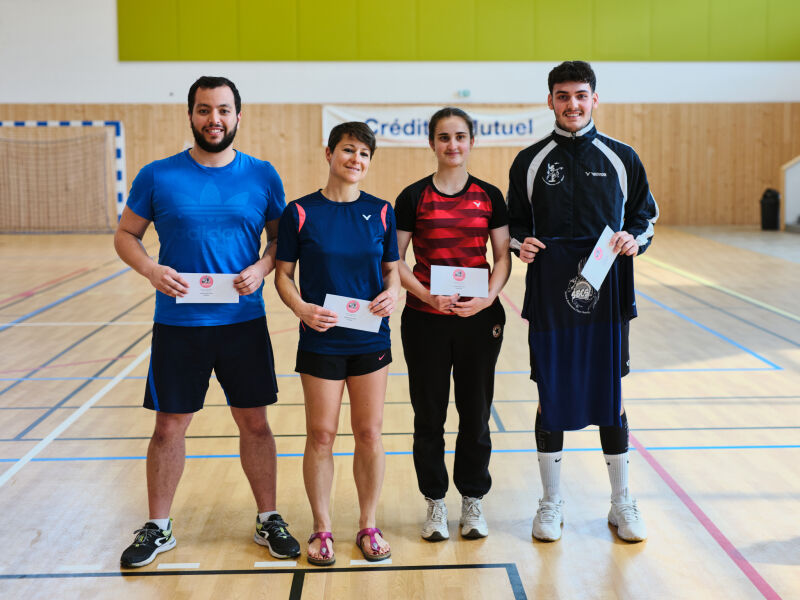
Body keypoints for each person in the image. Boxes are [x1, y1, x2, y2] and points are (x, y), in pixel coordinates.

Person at [114, 76, 300, 568]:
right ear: (191, 115)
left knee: (255, 423)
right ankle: (158, 526)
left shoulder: (262, 175)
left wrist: (261, 268)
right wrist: (152, 270)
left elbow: (282, 242)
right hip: (178, 325)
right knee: (168, 427)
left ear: (238, 116)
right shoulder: (158, 175)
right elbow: (126, 235)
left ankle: (269, 517)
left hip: (243, 322)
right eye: (203, 110)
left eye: (222, 110)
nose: (213, 119)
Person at [507, 61, 658, 543]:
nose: (572, 104)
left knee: (608, 393)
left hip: (607, 299)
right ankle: (551, 503)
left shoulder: (622, 157)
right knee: (550, 390)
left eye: (581, 95)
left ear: (595, 99)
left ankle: (622, 502)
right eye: (563, 95)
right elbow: (513, 225)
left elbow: (645, 217)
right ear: (549, 100)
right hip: (550, 297)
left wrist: (635, 240)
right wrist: (521, 243)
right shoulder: (529, 160)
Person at [274, 122, 400, 566]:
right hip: (321, 340)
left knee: (369, 432)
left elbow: (391, 271)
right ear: (329, 153)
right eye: (348, 150)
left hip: (370, 339)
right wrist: (302, 310)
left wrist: (394, 293)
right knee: (322, 434)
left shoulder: (382, 211)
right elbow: (283, 276)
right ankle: (322, 528)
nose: (356, 160)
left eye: (364, 154)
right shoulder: (300, 212)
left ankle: (368, 524)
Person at [395, 107, 511, 541]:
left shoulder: (489, 195)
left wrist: (487, 299)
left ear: (472, 142)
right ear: (432, 144)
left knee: (476, 413)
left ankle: (473, 500)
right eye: (444, 137)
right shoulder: (412, 197)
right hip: (426, 320)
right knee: (429, 415)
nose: (452, 145)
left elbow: (502, 258)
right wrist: (427, 295)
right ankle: (435, 503)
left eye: (460, 136)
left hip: (478, 321)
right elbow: (396, 260)